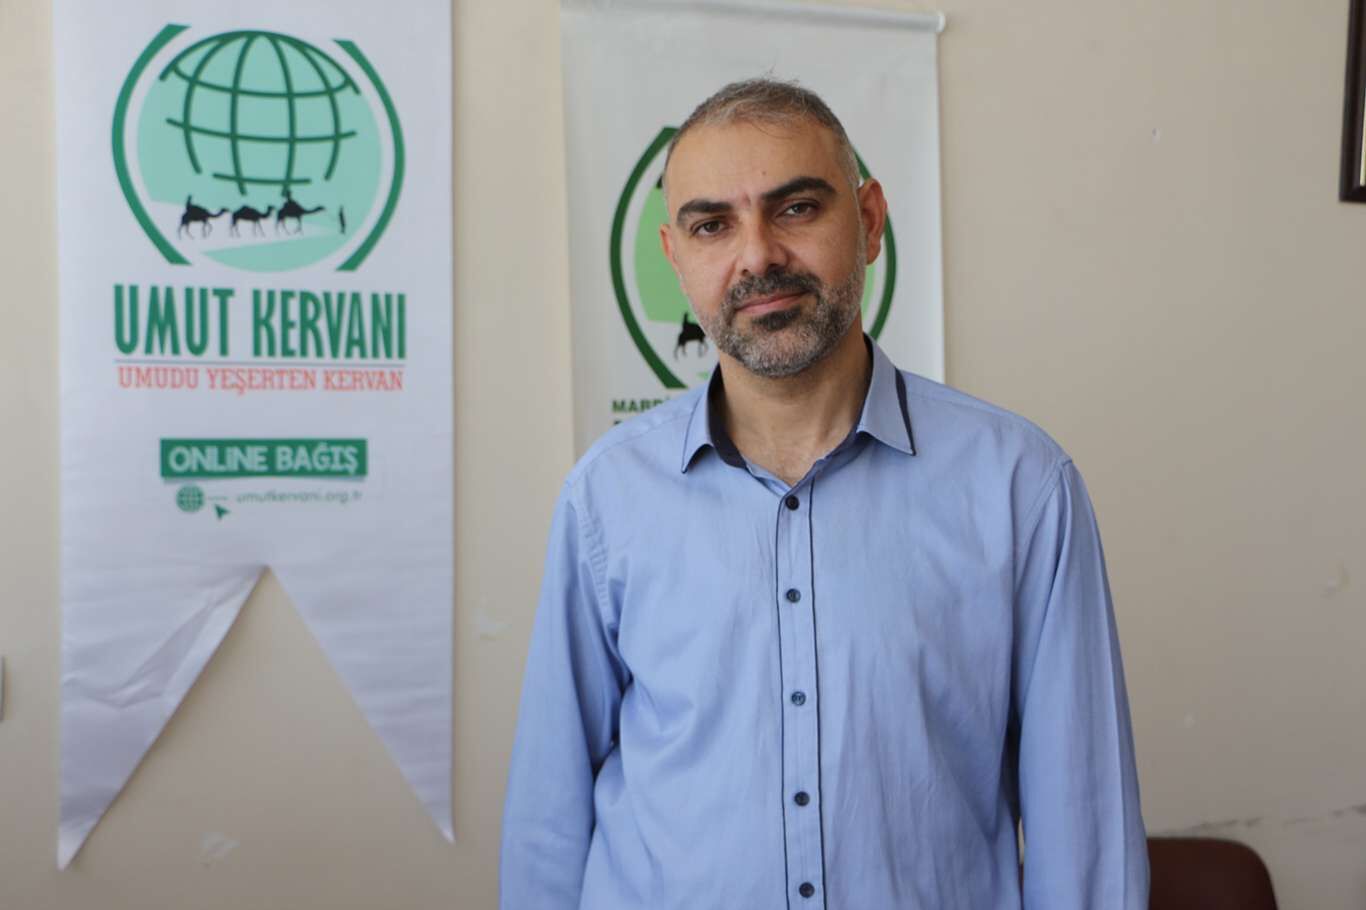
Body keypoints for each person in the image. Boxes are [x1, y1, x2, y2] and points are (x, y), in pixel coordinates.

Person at [500, 78, 1148, 909]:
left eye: (797, 208)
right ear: (675, 257)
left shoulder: (1021, 486)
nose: (758, 256)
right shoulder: (608, 497)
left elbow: (1084, 831)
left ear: (870, 221)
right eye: (712, 225)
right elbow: (549, 820)